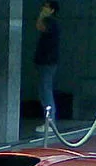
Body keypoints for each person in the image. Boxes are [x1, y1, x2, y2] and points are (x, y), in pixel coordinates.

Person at [34, 0, 60, 133]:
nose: (43, 8)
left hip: (47, 62)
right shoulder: (52, 22)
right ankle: (49, 121)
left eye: (46, 6)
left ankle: (50, 122)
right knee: (44, 90)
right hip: (47, 62)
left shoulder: (50, 22)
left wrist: (41, 15)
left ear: (52, 10)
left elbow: (39, 26)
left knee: (46, 91)